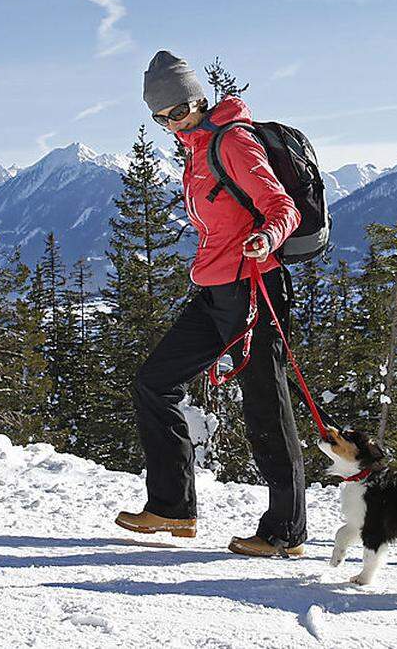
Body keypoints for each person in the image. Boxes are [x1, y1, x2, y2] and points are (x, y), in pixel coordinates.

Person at [115, 50, 306, 557]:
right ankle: (173, 509)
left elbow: (280, 206)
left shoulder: (234, 142)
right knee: (155, 382)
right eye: (160, 118)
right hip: (217, 289)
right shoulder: (198, 148)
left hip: (255, 287)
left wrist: (267, 238)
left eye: (177, 112)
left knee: (266, 403)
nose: (171, 123)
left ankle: (286, 533)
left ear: (198, 99)